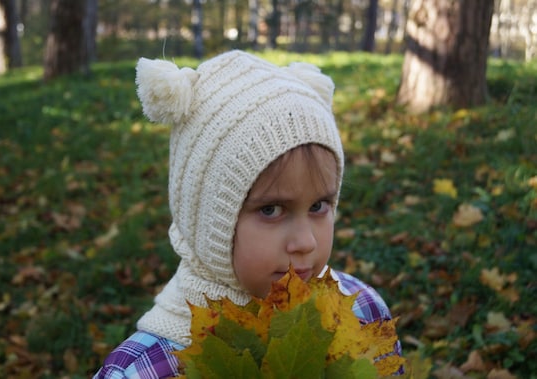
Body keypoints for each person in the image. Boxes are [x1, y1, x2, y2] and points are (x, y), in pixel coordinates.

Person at [93, 50, 402, 378]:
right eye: (271, 210)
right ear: (208, 222)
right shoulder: (149, 369)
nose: (305, 242)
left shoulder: (360, 311)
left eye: (318, 206)